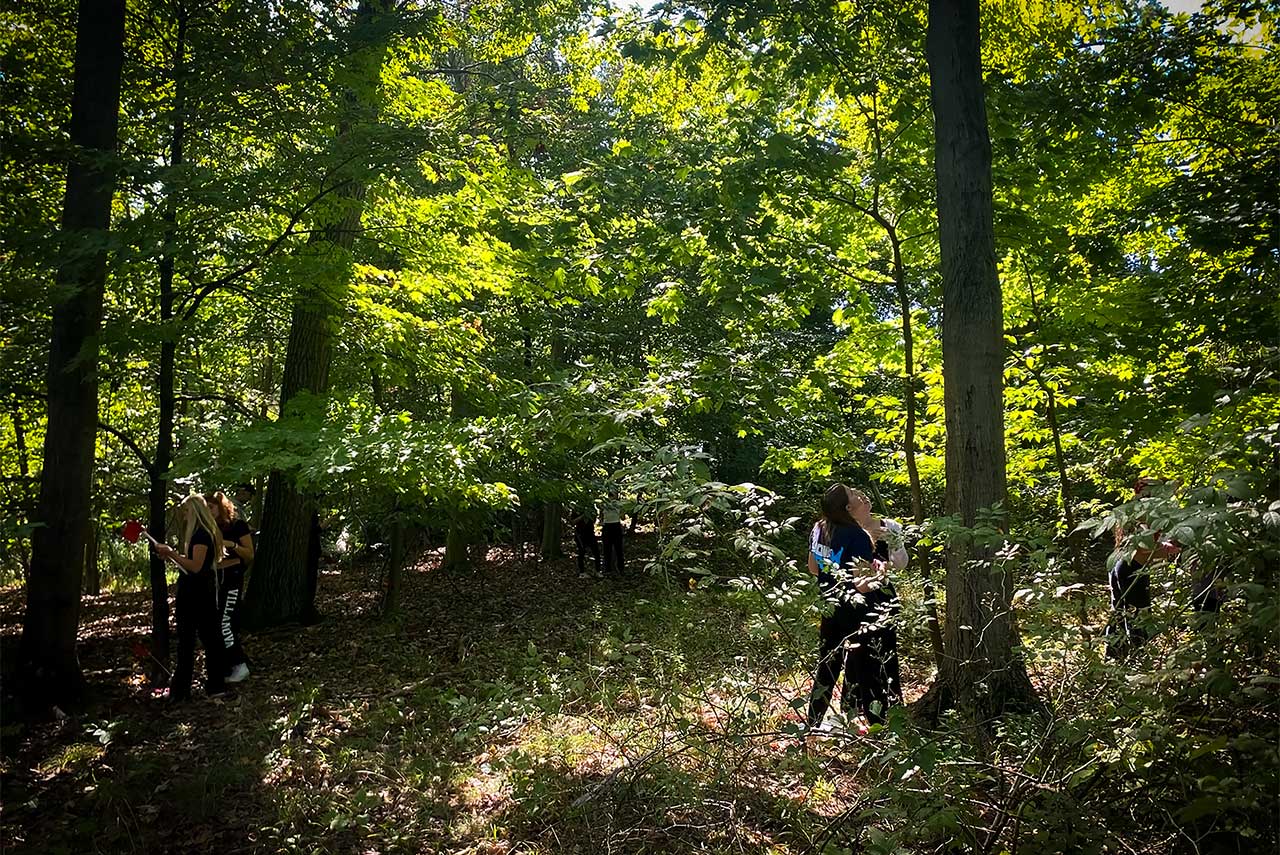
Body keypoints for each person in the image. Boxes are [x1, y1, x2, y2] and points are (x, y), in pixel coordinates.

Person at [806, 483, 885, 732]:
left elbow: (813, 568)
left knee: (827, 667)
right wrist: (880, 574)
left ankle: (811, 726)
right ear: (848, 507)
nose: (857, 494)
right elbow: (862, 586)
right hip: (857, 612)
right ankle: (879, 728)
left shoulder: (820, 528)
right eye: (852, 494)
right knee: (867, 670)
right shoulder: (857, 537)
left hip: (829, 608)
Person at [153, 494, 226, 701]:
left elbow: (195, 566)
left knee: (193, 640)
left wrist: (172, 553)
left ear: (194, 511)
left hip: (197, 595)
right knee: (202, 639)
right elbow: (192, 565)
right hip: (199, 592)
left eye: (186, 511)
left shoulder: (202, 535)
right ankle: (199, 687)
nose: (184, 515)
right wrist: (172, 556)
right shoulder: (200, 534)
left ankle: (192, 688)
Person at [1106, 477, 1180, 658]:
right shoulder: (1144, 514)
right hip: (1132, 569)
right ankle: (1139, 659)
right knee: (1139, 617)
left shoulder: (1131, 511)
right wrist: (1169, 550)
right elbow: (1143, 550)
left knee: (1120, 612)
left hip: (1120, 566)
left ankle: (1115, 658)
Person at [847, 488, 903, 722]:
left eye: (864, 495)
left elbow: (901, 563)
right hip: (854, 597)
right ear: (849, 508)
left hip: (883, 595)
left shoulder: (890, 526)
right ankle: (855, 707)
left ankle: (891, 702)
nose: (864, 497)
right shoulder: (845, 531)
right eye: (856, 496)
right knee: (857, 650)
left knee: (887, 646)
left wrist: (891, 541)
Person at [206, 491, 253, 683]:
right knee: (218, 623)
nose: (209, 511)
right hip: (214, 579)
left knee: (225, 622)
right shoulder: (207, 528)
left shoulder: (238, 525)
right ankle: (226, 665)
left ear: (221, 507)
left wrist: (230, 544)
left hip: (232, 578)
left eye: (211, 507)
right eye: (205, 508)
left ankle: (239, 665)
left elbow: (249, 554)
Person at [570, 505, 601, 575]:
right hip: (580, 534)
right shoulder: (577, 508)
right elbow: (573, 522)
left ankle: (598, 571)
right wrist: (583, 516)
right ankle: (582, 572)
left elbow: (594, 520)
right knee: (581, 552)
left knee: (596, 552)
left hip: (590, 533)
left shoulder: (591, 508)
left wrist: (591, 514)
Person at [600, 494, 625, 574]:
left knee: (618, 549)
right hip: (607, 526)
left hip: (615, 525)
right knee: (608, 549)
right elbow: (601, 515)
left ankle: (620, 568)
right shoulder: (604, 504)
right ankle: (608, 569)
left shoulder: (618, 504)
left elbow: (622, 516)